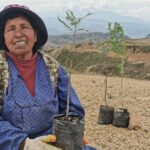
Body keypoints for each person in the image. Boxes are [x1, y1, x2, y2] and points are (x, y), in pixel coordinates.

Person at [0, 4, 96, 150]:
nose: (18, 34)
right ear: (4, 39)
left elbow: (73, 110)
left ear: (36, 35)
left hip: (53, 143)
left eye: (24, 27)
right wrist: (24, 144)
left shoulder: (54, 69)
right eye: (11, 29)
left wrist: (68, 135)